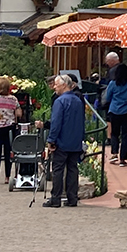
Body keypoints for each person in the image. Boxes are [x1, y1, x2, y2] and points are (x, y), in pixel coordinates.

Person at [43, 74, 86, 208]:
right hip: (75, 140)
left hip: (62, 140)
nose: (54, 87)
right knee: (73, 169)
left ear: (64, 85)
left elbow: (56, 123)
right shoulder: (78, 100)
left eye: (56, 85)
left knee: (58, 169)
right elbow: (82, 121)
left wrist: (51, 140)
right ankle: (72, 198)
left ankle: (55, 198)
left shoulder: (60, 101)